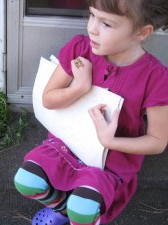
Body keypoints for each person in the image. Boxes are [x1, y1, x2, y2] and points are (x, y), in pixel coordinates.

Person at [14, 0, 168, 224]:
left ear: (142, 32)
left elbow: (157, 141)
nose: (92, 28)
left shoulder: (155, 77)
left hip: (110, 161)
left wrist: (110, 141)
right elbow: (48, 99)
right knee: (26, 180)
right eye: (92, 15)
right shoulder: (80, 50)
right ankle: (62, 209)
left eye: (106, 24)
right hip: (68, 144)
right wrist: (79, 88)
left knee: (83, 208)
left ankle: (77, 216)